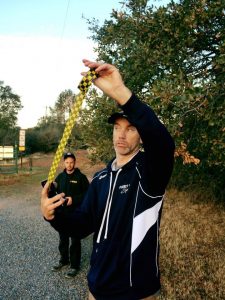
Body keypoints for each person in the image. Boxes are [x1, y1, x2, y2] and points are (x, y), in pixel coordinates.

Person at [41, 59, 175, 299]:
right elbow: (83, 225)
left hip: (136, 291)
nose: (121, 135)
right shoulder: (101, 177)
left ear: (141, 136)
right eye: (117, 128)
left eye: (131, 128)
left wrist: (121, 93)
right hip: (97, 288)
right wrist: (53, 216)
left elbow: (163, 143)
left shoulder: (149, 171)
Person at [52, 152, 89, 278]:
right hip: (62, 214)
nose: (69, 164)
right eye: (67, 162)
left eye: (71, 162)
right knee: (63, 238)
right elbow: (54, 192)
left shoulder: (81, 177)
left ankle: (74, 266)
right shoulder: (60, 177)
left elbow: (88, 195)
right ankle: (63, 260)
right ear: (64, 163)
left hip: (76, 214)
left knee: (75, 240)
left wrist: (74, 199)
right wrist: (50, 188)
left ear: (75, 162)